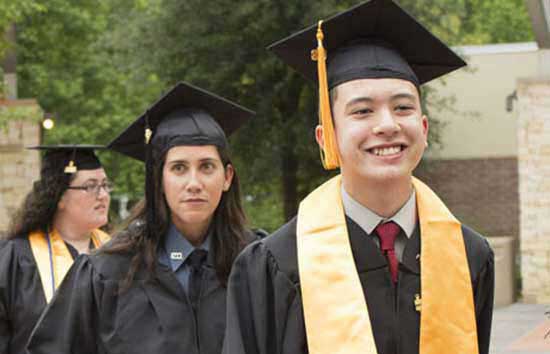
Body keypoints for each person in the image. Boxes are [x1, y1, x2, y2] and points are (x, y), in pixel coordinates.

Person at [223, 1, 494, 354]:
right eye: (363, 111)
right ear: (326, 137)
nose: (387, 125)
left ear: (423, 129)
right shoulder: (275, 263)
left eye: (403, 107)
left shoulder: (469, 256)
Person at [27, 82, 257, 354]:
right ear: (158, 179)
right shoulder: (108, 272)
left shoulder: (256, 265)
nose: (194, 183)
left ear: (227, 177)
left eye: (207, 166)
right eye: (179, 168)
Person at [0, 145, 111, 354]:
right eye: (91, 186)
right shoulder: (14, 259)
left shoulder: (120, 255)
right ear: (59, 196)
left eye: (105, 185)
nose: (103, 195)